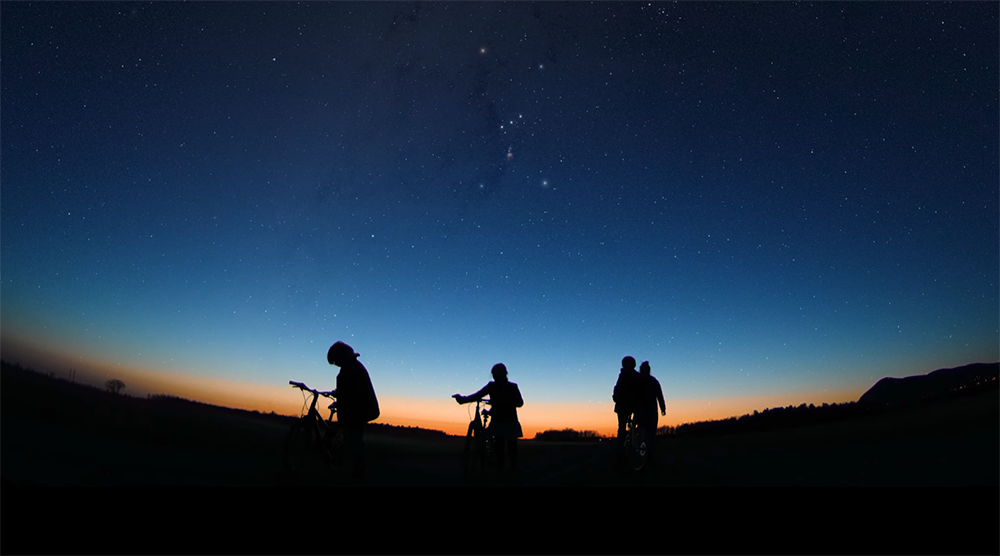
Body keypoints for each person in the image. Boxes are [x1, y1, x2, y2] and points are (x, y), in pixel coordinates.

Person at [453, 363, 524, 471]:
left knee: (502, 448)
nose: (495, 376)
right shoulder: (512, 387)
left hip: (502, 422)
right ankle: (510, 474)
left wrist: (463, 400)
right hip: (509, 421)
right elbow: (519, 403)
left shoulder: (494, 386)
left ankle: (502, 473)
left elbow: (477, 395)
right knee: (510, 449)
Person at [327, 341, 379, 479]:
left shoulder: (351, 369)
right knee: (352, 439)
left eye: (335, 361)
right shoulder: (352, 367)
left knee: (354, 439)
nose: (336, 364)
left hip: (359, 411)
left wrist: (340, 397)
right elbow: (349, 389)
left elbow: (352, 391)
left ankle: (357, 473)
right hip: (359, 410)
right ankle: (353, 470)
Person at [636, 360, 666, 465]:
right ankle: (647, 454)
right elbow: (660, 395)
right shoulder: (653, 381)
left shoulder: (639, 380)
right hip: (649, 411)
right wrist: (663, 408)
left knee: (645, 434)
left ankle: (644, 454)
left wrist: (663, 408)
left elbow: (659, 395)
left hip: (643, 411)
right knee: (649, 434)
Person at [613, 356, 640, 445]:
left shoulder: (636, 376)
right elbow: (617, 390)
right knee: (622, 428)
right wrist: (616, 398)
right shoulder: (623, 376)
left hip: (634, 405)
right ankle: (620, 447)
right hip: (623, 405)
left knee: (637, 424)